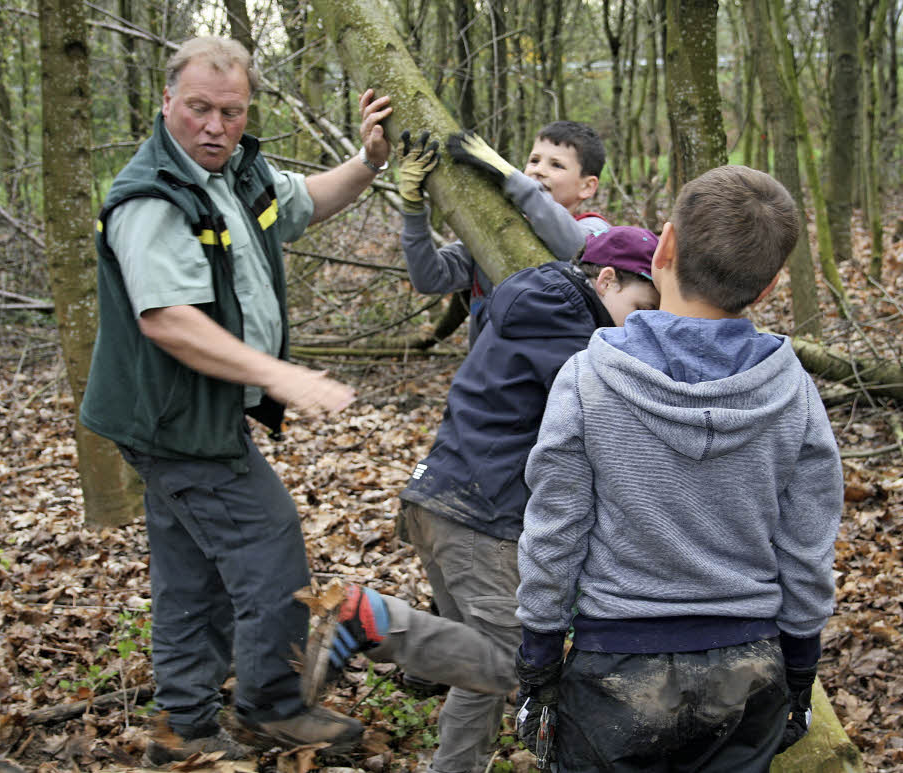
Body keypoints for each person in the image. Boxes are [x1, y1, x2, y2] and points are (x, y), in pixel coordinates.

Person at [78, 36, 393, 763]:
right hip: (174, 419)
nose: (215, 126)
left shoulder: (235, 175)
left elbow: (308, 199)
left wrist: (369, 163)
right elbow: (168, 319)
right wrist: (278, 376)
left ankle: (184, 725)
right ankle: (269, 706)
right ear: (167, 103)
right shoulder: (153, 197)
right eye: (198, 109)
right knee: (270, 543)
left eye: (230, 110)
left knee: (191, 570)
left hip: (191, 412)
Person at [513, 165, 844, 772]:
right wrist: (800, 668)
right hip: (750, 668)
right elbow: (808, 547)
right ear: (766, 288)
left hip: (614, 669)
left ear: (664, 246)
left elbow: (555, 531)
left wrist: (537, 659)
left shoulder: (587, 380)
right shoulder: (794, 392)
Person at [324, 227, 660, 773]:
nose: (644, 324)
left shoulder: (540, 304)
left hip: (440, 498)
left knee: (473, 665)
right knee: (509, 661)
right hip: (481, 516)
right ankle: (371, 619)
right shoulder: (575, 337)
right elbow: (602, 424)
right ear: (605, 280)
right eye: (641, 307)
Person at [396, 121, 611, 345]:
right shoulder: (499, 230)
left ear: (587, 186)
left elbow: (575, 248)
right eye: (534, 161)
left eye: (556, 165)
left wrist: (511, 178)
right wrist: (413, 208)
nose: (539, 170)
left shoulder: (597, 232)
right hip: (488, 375)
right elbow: (429, 278)